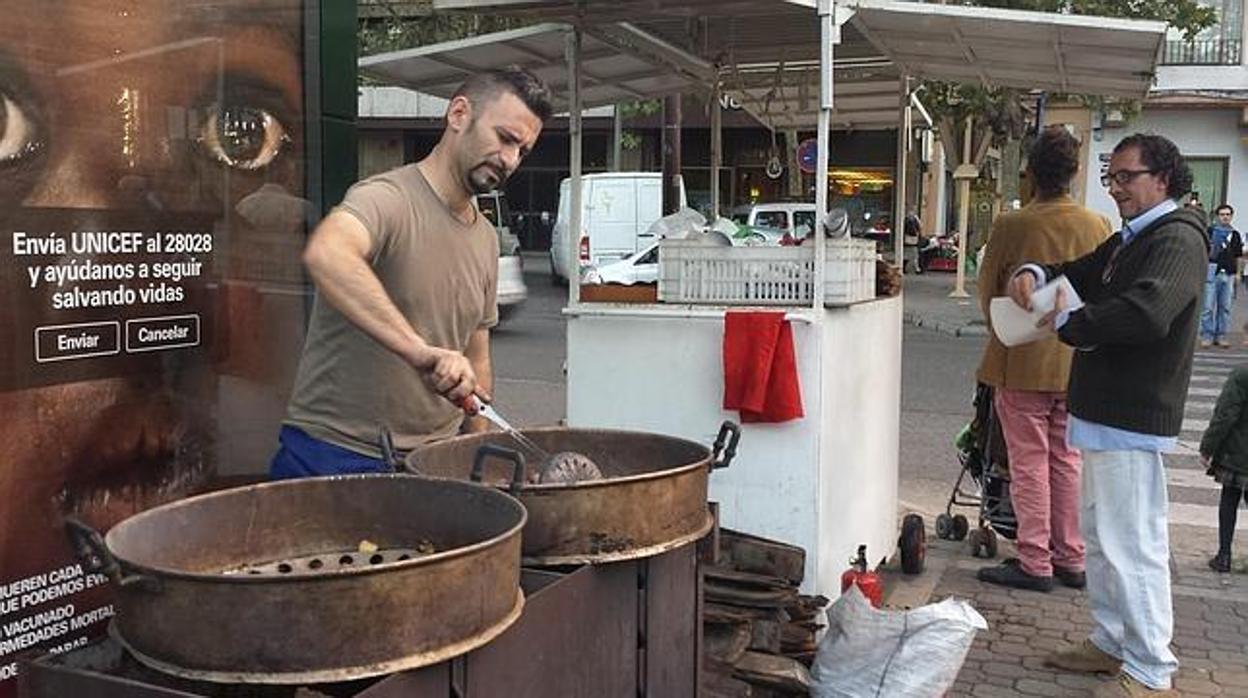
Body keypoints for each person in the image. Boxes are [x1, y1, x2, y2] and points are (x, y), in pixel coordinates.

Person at [270, 67, 552, 478]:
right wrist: (420, 353)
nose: (510, 160)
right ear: (458, 115)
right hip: (334, 455)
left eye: (522, 151)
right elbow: (328, 253)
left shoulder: (487, 238)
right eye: (505, 139)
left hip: (431, 463)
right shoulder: (387, 198)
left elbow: (477, 356)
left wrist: (479, 454)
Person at [1006, 133, 1206, 697]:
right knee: (1100, 535)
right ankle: (1111, 640)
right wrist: (1034, 273)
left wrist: (1071, 324)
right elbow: (1079, 269)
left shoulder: (1177, 239)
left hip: (1132, 412)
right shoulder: (1133, 237)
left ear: (1162, 179)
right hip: (1104, 410)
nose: (1114, 188)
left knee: (1132, 543)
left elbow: (1147, 313)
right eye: (1110, 176)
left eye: (1126, 177)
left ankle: (1149, 667)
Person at [974, 126, 1112, 593]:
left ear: (1030, 173)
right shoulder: (1098, 225)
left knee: (1028, 462)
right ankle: (1071, 556)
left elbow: (989, 291)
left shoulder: (1012, 225)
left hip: (1022, 360)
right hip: (1077, 362)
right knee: (1067, 460)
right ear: (1075, 173)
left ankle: (1035, 560)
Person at [1198, 367, 1248, 573]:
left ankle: (1224, 555)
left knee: (1229, 500)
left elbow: (1225, 415)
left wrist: (1208, 447)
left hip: (1238, 452)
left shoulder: (1242, 375)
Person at [1200, 204, 1242, 348]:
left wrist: (1238, 273)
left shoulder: (1235, 234)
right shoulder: (1210, 231)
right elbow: (1203, 252)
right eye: (1222, 214)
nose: (1225, 217)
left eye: (1228, 214)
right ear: (1218, 216)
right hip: (1212, 271)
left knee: (1225, 307)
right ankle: (1207, 335)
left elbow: (1238, 256)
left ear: (1231, 216)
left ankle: (1221, 335)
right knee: (1208, 307)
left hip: (1229, 273)